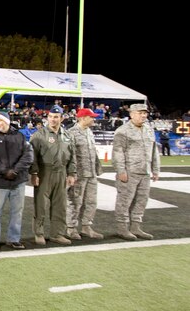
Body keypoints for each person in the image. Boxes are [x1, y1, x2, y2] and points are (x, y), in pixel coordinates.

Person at [0, 112, 33, 250]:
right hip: (0, 182)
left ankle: (14, 239)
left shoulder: (20, 136)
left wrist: (15, 171)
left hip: (18, 181)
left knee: (17, 212)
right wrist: (5, 171)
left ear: (7, 121)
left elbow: (28, 155)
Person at [29, 105, 77, 246]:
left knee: (60, 206)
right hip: (45, 172)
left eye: (56, 117)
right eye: (50, 116)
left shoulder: (68, 135)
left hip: (61, 172)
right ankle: (39, 233)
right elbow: (33, 157)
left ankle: (57, 234)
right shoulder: (39, 135)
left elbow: (72, 156)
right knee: (41, 205)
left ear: (61, 118)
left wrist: (71, 173)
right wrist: (34, 173)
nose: (52, 119)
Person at [112, 103, 160, 240]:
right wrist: (121, 170)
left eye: (145, 113)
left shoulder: (148, 129)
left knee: (141, 200)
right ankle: (122, 228)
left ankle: (135, 227)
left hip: (144, 171)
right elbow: (117, 152)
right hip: (129, 171)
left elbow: (154, 150)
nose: (144, 115)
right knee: (125, 201)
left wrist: (155, 170)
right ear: (131, 114)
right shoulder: (123, 131)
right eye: (140, 113)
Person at [66, 108, 104, 240]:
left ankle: (86, 226)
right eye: (91, 117)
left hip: (91, 173)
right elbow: (70, 156)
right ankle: (71, 228)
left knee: (91, 202)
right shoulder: (71, 133)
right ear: (82, 118)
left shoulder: (89, 132)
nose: (94, 119)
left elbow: (93, 153)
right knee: (75, 201)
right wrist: (72, 173)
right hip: (79, 174)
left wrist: (97, 168)